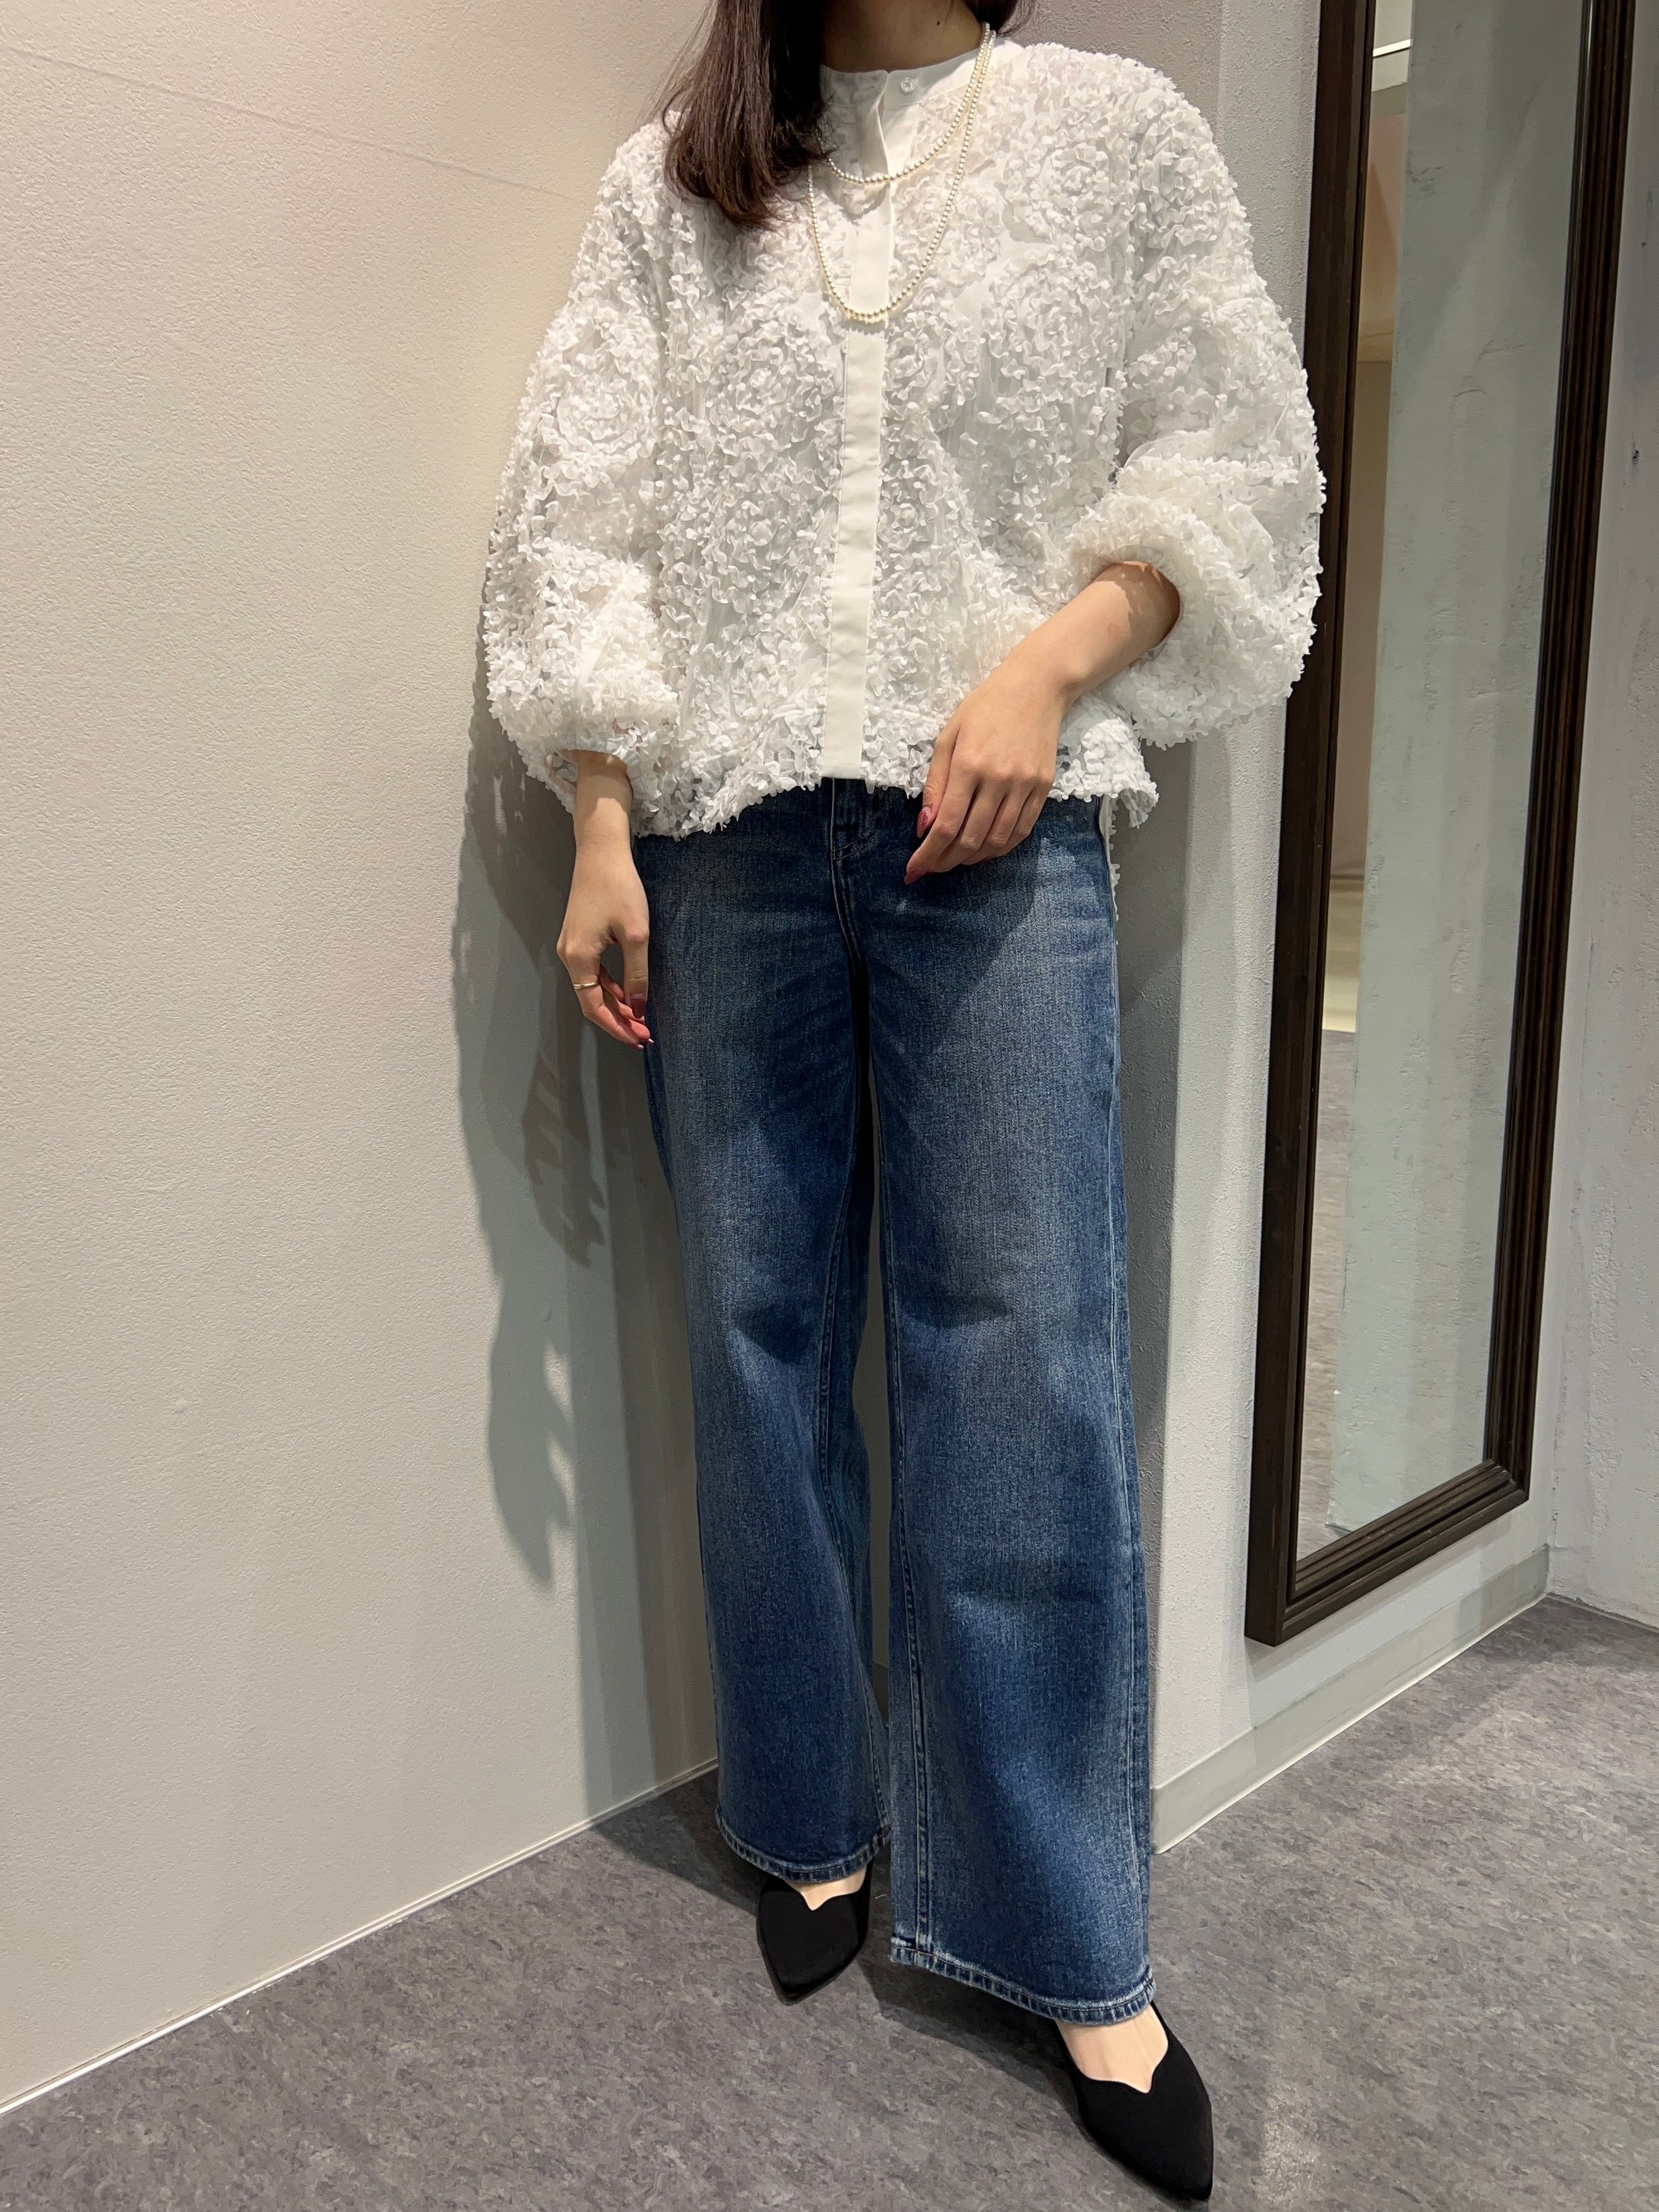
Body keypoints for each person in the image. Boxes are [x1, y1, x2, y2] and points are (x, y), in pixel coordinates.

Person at [484, 0, 1322, 2196]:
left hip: (1000, 839)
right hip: (725, 840)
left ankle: (1068, 1937)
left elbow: (1232, 458)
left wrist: (1044, 666)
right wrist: (598, 814)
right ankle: (807, 1811)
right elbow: (587, 506)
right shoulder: (680, 179)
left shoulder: (1112, 138)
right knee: (755, 1335)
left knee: (1023, 1355)